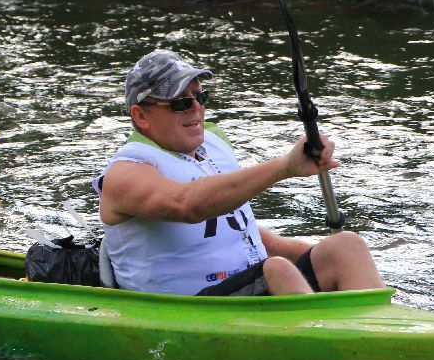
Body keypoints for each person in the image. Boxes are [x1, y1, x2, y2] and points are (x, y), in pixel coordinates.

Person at [93, 50, 385, 296]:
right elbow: (187, 205)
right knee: (277, 269)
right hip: (190, 306)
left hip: (251, 285)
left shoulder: (212, 147)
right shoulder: (124, 174)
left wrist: (321, 256)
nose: (195, 109)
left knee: (345, 247)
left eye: (199, 97)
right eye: (180, 103)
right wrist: (284, 168)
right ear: (140, 116)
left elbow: (238, 232)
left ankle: (387, 331)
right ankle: (342, 350)